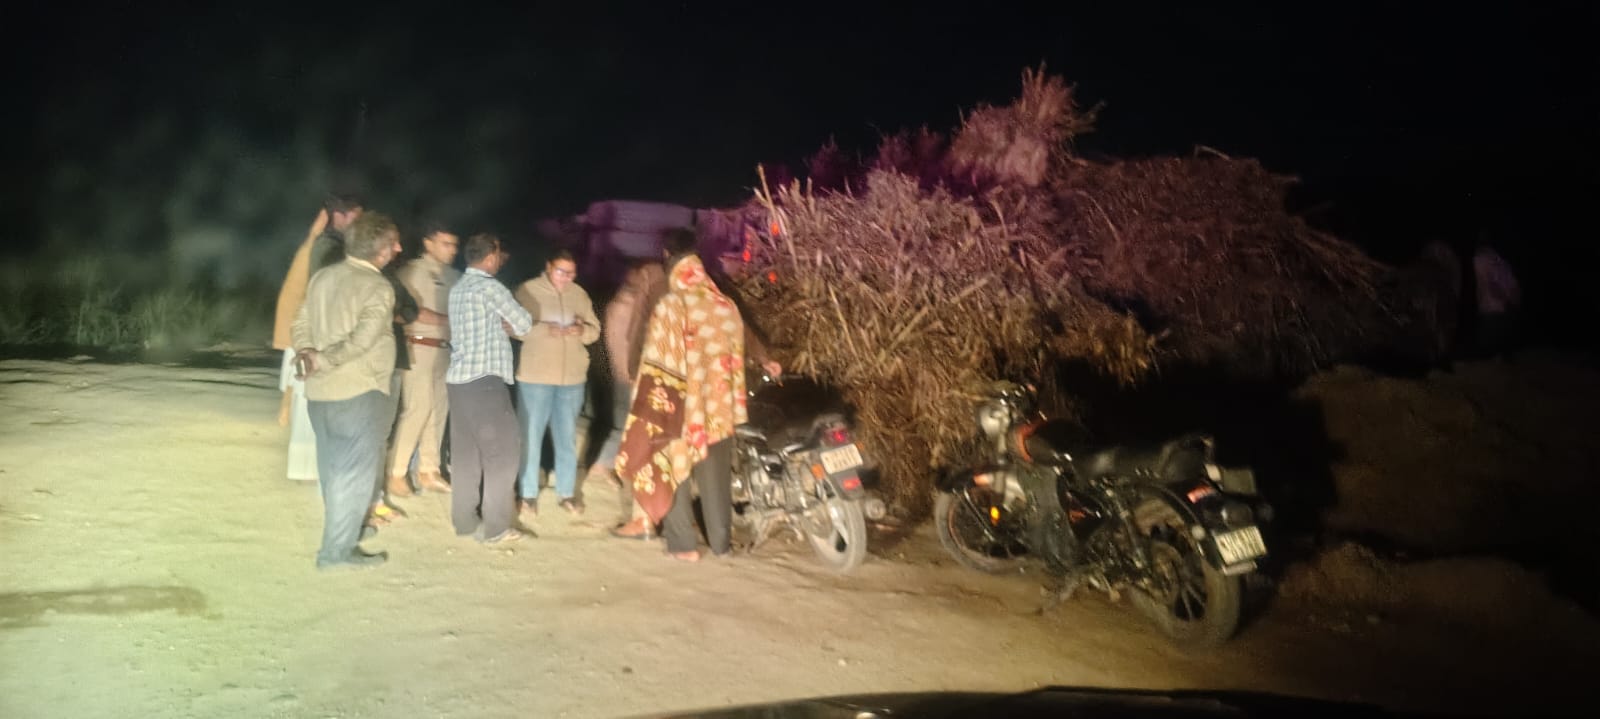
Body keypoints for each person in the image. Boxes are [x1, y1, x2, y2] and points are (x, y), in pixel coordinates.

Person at [614, 228, 748, 561]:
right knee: (716, 476)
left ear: (666, 257)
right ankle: (721, 545)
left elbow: (657, 362)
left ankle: (684, 545)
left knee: (671, 467)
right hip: (719, 408)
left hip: (682, 408)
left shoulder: (672, 305)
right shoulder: (725, 305)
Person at [289, 211, 400, 570]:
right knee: (352, 474)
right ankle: (335, 553)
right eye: (393, 244)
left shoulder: (324, 275)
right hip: (358, 389)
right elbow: (362, 341)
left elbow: (301, 321)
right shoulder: (378, 287)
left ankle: (345, 532)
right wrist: (322, 359)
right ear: (380, 250)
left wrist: (308, 354)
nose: (398, 248)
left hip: (320, 393)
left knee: (333, 469)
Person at [446, 233, 535, 544]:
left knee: (466, 454)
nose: (500, 259)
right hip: (485, 382)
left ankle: (464, 521)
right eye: (498, 254)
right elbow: (523, 323)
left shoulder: (458, 289)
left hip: (458, 381)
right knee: (504, 453)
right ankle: (496, 527)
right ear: (490, 257)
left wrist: (498, 324)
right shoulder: (489, 287)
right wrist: (506, 325)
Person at [273, 194, 363, 482]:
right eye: (356, 217)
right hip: (318, 336)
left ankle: (312, 466)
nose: (360, 224)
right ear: (340, 216)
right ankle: (313, 468)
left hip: (313, 335)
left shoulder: (330, 244)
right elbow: (327, 292)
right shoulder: (329, 247)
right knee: (313, 404)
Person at [512, 250, 601, 517]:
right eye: (561, 272)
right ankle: (527, 494)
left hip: (571, 378)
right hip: (535, 378)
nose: (566, 278)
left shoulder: (579, 294)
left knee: (567, 438)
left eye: (571, 273)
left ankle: (566, 493)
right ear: (548, 267)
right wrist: (544, 329)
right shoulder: (528, 290)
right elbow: (513, 327)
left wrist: (581, 330)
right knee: (531, 436)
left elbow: (594, 331)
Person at [385, 223, 461, 497]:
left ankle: (429, 469)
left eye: (454, 245)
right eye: (445, 244)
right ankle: (396, 472)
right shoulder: (412, 271)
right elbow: (407, 310)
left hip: (446, 349)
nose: (452, 250)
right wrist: (447, 320)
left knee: (439, 409)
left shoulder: (455, 276)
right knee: (418, 408)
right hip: (418, 347)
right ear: (428, 243)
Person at [1471, 237, 1521, 358]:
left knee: (1488, 348)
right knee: (1502, 346)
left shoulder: (1480, 258)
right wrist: (1513, 301)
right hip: (1503, 308)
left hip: (1492, 308)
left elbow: (1489, 283)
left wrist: (1504, 299)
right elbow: (1513, 284)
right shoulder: (1502, 260)